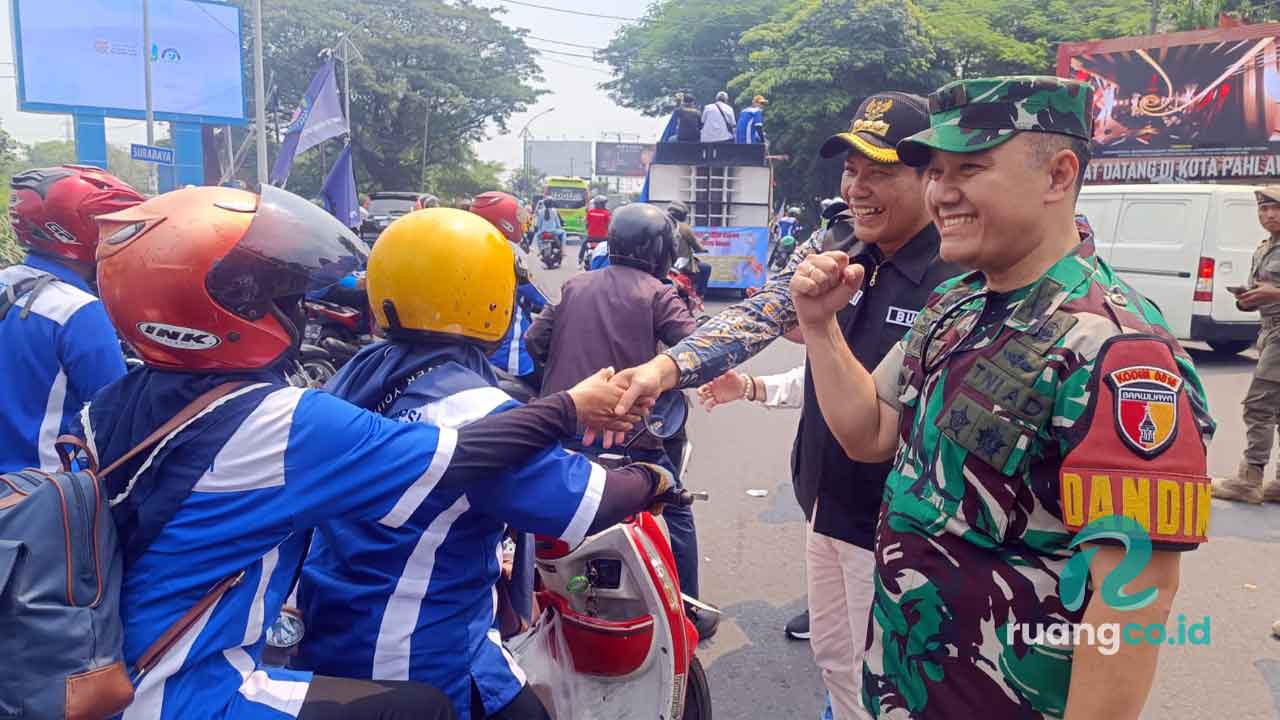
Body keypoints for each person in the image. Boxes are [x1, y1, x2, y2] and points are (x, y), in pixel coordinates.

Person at [79, 184, 639, 720]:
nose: (296, 306)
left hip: (108, 664)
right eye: (272, 292)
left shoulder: (106, 409)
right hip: (191, 687)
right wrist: (585, 421)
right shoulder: (283, 421)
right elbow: (466, 453)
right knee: (424, 711)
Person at [792, 76, 1215, 718]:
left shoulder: (1119, 351)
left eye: (970, 168)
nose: (942, 193)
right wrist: (820, 325)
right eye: (936, 171)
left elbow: (1133, 598)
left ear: (1058, 175)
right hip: (900, 691)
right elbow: (868, 432)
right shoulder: (954, 305)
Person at [606, 92, 957, 719]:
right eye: (850, 169)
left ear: (931, 177)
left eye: (879, 172)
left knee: (893, 682)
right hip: (825, 503)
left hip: (901, 527)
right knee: (836, 662)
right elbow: (763, 311)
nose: (858, 188)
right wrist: (664, 369)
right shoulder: (839, 242)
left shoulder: (954, 272)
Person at [296, 209, 675, 720]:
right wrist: (654, 479)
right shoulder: (473, 407)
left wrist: (564, 411)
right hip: (411, 649)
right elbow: (586, 502)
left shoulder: (359, 372)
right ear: (492, 298)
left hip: (340, 615)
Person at [525, 203, 719, 639]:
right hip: (630, 440)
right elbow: (695, 350)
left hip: (563, 430)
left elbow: (535, 340)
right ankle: (687, 607)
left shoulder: (575, 285)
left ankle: (527, 597)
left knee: (529, 510)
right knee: (677, 509)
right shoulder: (658, 292)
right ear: (661, 250)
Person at [0, 165, 143, 473]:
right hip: (45, 489)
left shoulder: (8, 282)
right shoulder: (78, 312)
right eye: (109, 225)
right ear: (79, 230)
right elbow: (114, 422)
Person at [1213, 185, 1280, 504]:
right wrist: (1247, 300)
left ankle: (1249, 479)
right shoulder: (1265, 248)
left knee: (1259, 405)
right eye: (1263, 209)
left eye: (1275, 209)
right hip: (1269, 331)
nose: (1269, 215)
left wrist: (1272, 294)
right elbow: (1261, 291)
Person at [471, 191, 547, 389]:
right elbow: (540, 297)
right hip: (511, 356)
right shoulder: (509, 252)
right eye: (518, 217)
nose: (522, 223)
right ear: (504, 221)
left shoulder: (471, 246)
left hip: (477, 349)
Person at [667, 200, 710, 296]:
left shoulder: (665, 225)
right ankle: (699, 295)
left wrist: (701, 240)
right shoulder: (683, 227)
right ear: (682, 214)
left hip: (665, 264)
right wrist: (703, 249)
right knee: (706, 268)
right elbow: (697, 247)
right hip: (681, 263)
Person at [583, 194, 611, 266]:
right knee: (610, 248)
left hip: (591, 237)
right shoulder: (607, 213)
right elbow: (609, 225)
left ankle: (580, 260)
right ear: (603, 204)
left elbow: (587, 224)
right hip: (603, 238)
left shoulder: (590, 212)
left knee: (583, 244)